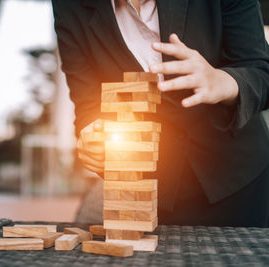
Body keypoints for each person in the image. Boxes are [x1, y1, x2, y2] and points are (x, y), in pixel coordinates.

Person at [52, 0, 269, 227]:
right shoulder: (69, 5)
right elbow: (88, 105)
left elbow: (261, 70)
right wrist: (92, 139)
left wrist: (223, 81)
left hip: (238, 183)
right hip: (149, 197)